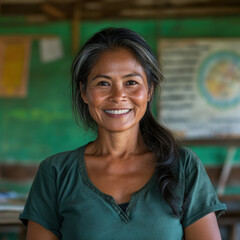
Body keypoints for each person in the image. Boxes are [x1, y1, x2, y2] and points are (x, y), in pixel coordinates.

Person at [19, 27, 226, 240]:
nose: (118, 96)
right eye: (103, 83)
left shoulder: (183, 166)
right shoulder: (55, 173)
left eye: (131, 82)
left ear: (150, 90)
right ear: (84, 92)